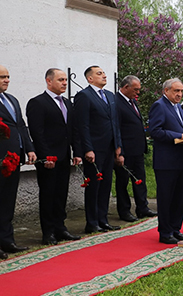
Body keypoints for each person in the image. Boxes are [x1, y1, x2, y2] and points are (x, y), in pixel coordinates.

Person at [26, 68, 82, 245]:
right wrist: (45, 156)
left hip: (64, 156)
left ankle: (60, 227)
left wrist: (77, 152)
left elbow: (73, 130)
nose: (64, 83)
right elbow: (37, 133)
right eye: (60, 80)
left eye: (65, 80)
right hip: (48, 158)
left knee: (61, 194)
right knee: (48, 195)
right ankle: (48, 232)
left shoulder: (67, 103)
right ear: (49, 81)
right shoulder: (38, 103)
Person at [73, 65, 123, 234]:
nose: (104, 75)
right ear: (90, 78)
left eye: (104, 73)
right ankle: (92, 222)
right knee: (94, 185)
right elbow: (83, 125)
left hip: (109, 147)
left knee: (106, 184)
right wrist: (87, 149)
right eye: (99, 73)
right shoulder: (84, 96)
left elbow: (115, 122)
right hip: (94, 149)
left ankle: (103, 219)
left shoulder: (110, 96)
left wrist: (118, 145)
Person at [148, 78, 183, 244]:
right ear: (166, 91)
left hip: (182, 160)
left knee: (179, 198)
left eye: (181, 91)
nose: (179, 94)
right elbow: (155, 131)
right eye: (176, 91)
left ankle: (176, 229)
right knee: (167, 197)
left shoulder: (179, 108)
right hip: (166, 161)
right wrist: (179, 136)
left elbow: (182, 129)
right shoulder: (159, 106)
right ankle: (165, 232)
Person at [0, 64, 36, 256]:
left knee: (8, 200)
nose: (6, 80)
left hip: (13, 159)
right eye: (2, 77)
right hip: (0, 158)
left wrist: (29, 148)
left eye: (8, 76)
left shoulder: (11, 99)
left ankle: (7, 241)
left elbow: (21, 125)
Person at [114, 75, 156, 222]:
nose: (138, 93)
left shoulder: (132, 102)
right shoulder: (116, 102)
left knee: (140, 180)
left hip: (137, 150)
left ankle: (142, 207)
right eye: (135, 89)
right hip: (125, 150)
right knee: (123, 182)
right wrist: (119, 151)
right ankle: (124, 211)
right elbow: (117, 128)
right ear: (126, 87)